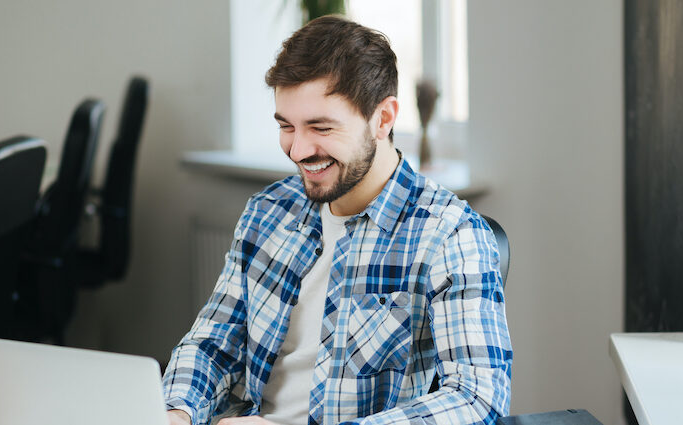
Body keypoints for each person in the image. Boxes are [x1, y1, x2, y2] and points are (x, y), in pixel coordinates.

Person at [162, 15, 512, 425]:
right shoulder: (268, 210)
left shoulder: (449, 234)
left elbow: (477, 399)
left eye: (320, 127)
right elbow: (213, 343)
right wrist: (175, 412)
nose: (297, 151)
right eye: (286, 126)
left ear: (383, 119)